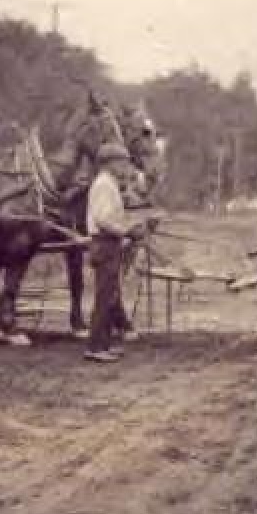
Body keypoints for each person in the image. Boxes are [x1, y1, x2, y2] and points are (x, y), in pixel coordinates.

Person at [84, 142, 148, 363]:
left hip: (109, 243)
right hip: (105, 244)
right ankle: (95, 347)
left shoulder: (109, 183)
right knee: (104, 297)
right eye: (122, 162)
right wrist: (127, 230)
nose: (126, 167)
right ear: (109, 164)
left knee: (110, 295)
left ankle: (103, 344)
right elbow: (103, 219)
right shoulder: (104, 185)